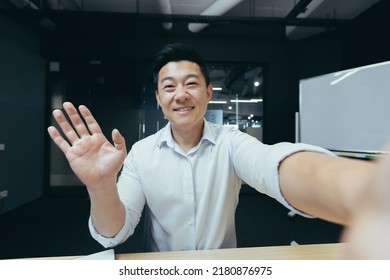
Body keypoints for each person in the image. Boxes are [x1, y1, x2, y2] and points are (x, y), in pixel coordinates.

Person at [47, 43, 386, 256]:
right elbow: (113, 234)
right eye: (169, 87)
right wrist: (101, 183)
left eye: (191, 83)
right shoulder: (141, 154)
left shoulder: (231, 141)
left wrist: (365, 190)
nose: (181, 94)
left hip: (224, 269)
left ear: (209, 93)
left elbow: (274, 167)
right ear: (160, 100)